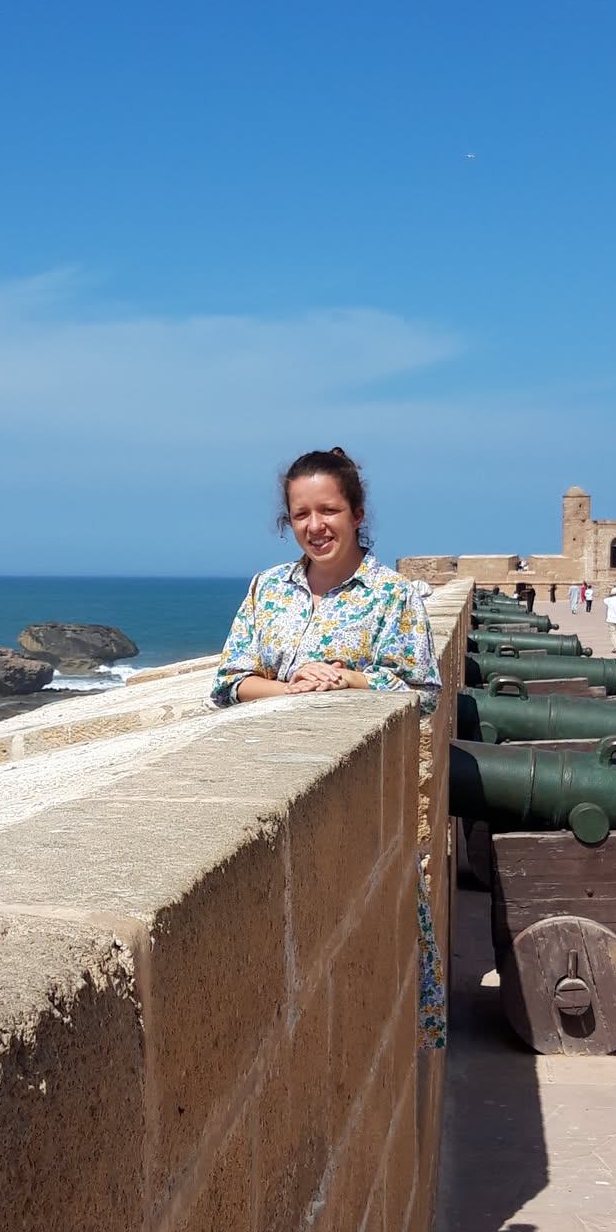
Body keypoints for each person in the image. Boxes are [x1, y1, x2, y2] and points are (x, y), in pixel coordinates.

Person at [212, 446, 445, 1046]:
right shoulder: (268, 588)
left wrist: (347, 679)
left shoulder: (392, 595)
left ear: (357, 514)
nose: (315, 526)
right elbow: (228, 682)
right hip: (259, 788)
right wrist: (292, 687)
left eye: (329, 511)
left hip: (353, 803)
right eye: (301, 514)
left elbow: (423, 692)